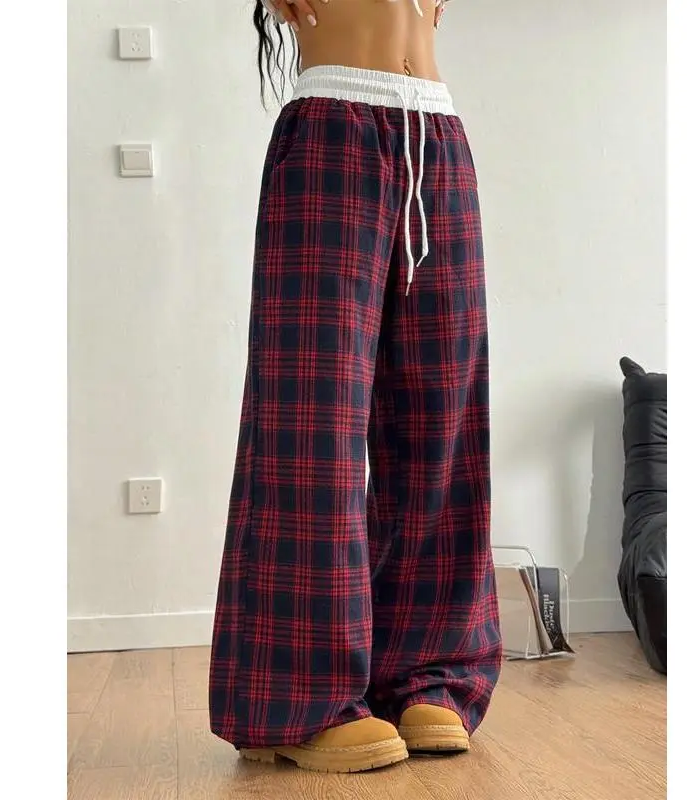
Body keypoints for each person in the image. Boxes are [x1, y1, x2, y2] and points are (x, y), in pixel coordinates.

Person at [209, 0, 502, 773]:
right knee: (313, 428)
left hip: (438, 134)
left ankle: (428, 673)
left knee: (443, 423)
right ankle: (297, 701)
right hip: (333, 129)